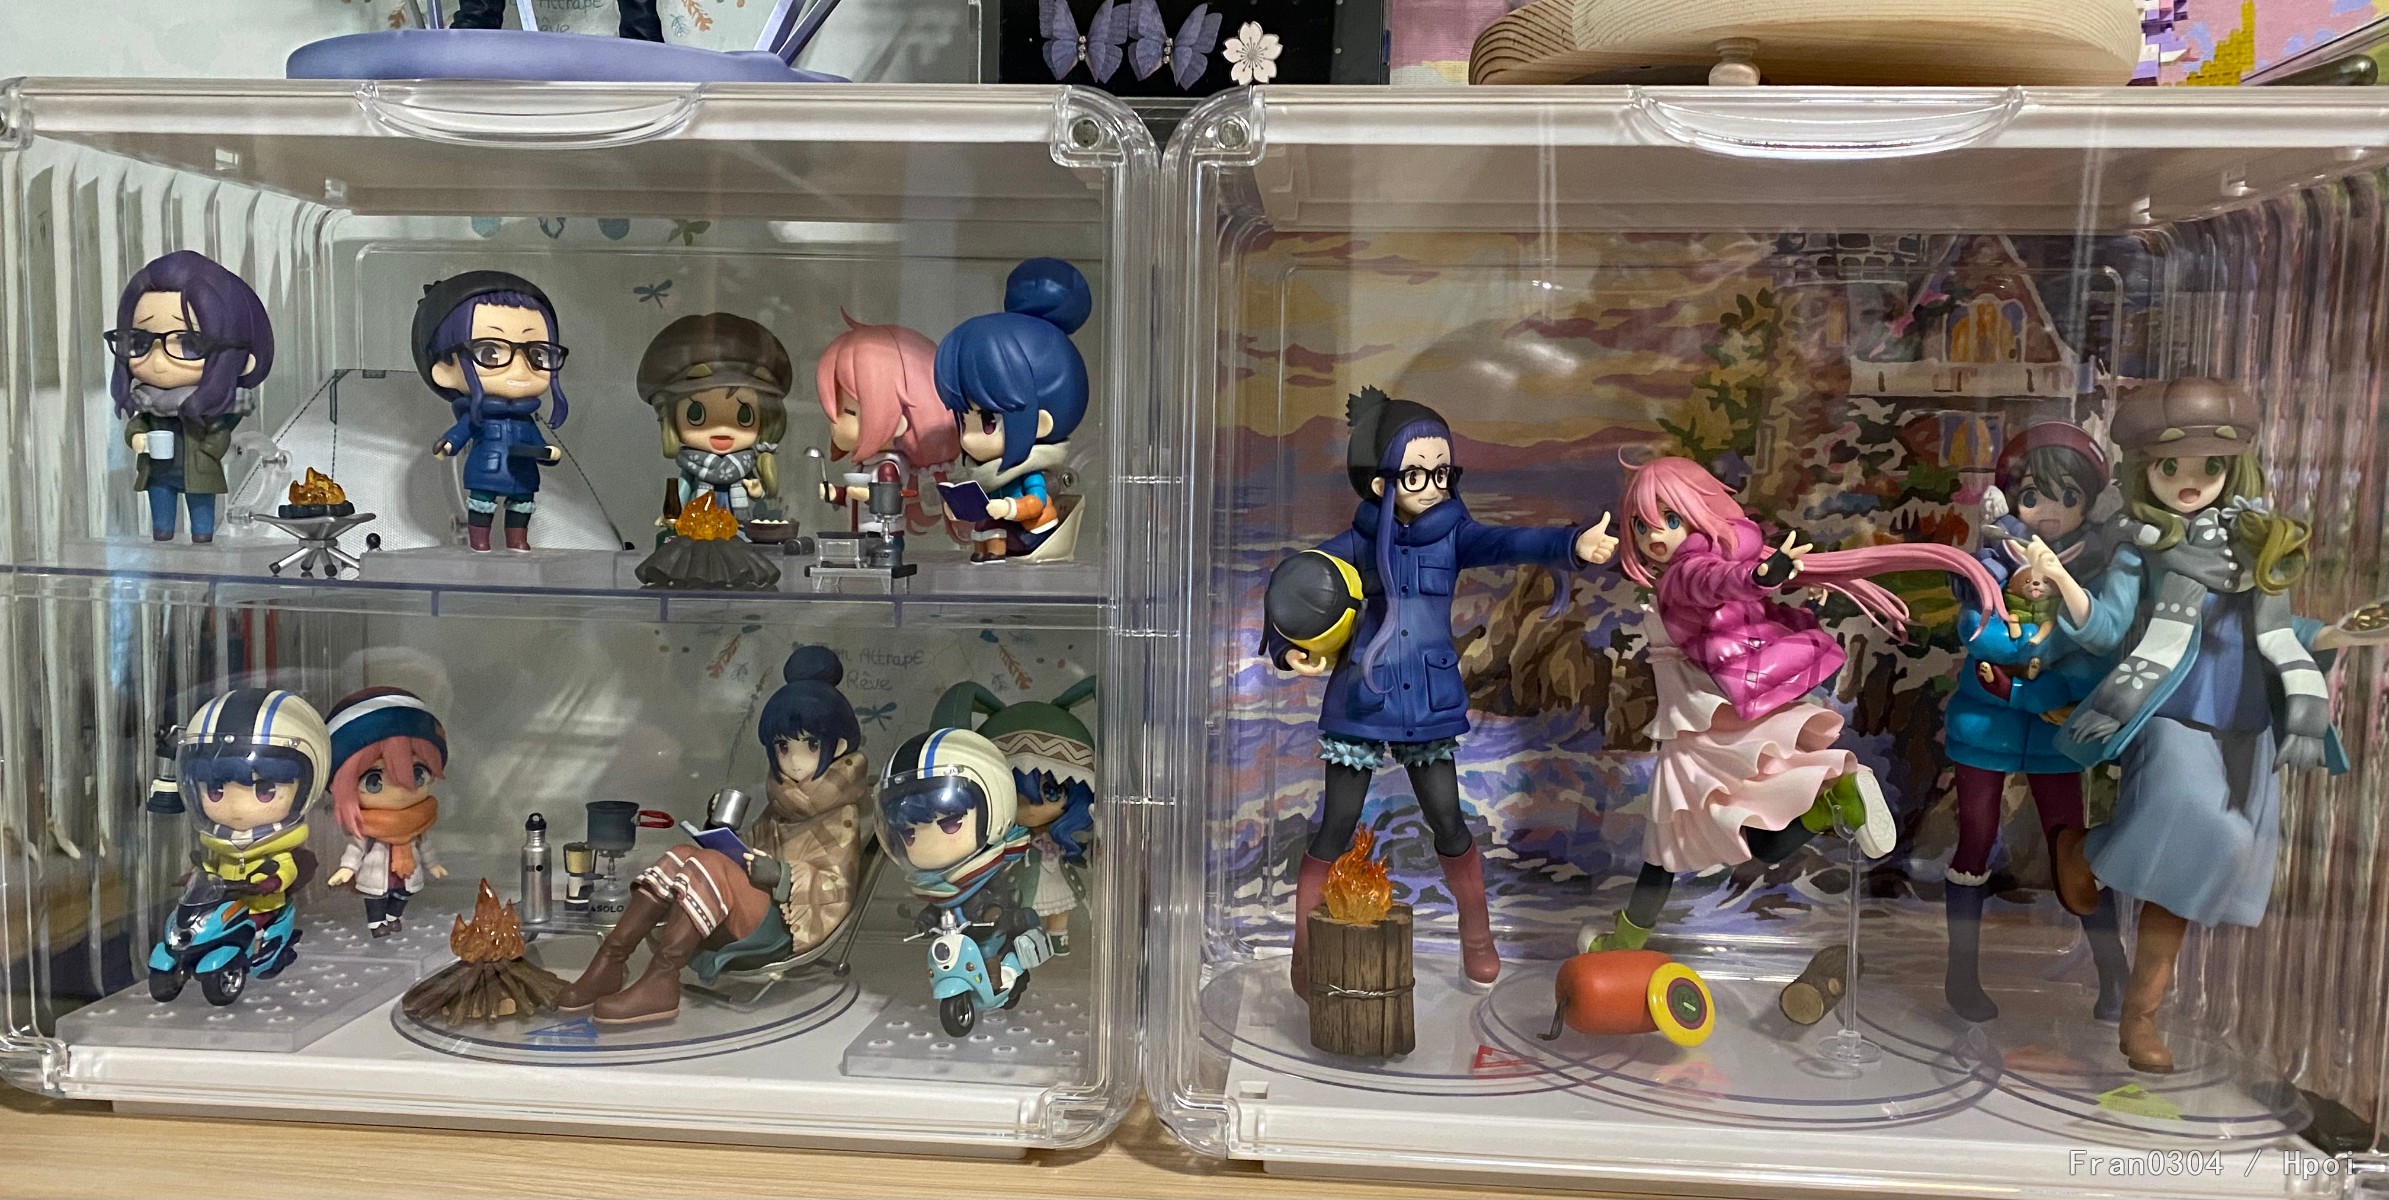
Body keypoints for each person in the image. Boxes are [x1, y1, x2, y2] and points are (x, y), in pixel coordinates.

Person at [2024, 379, 2347, 1073]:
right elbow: (2105, 627)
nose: (2189, 481)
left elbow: (2279, 630)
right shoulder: (2140, 545)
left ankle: (2140, 1013)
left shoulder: (2256, 541)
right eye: (2170, 466)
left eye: (2209, 466)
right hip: (2168, 709)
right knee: (2209, 829)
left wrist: (2337, 634)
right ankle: (2086, 853)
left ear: (2235, 466)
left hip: (2245, 720)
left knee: (2199, 868)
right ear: (2145, 470)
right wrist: (2062, 580)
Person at [1266, 387, 1616, 993]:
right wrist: (1286, 647)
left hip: (1428, 702)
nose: (1431, 485)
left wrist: (1571, 544)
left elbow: (1510, 542)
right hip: (1362, 700)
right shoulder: (1356, 544)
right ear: (1381, 482)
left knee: (1449, 821)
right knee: (1335, 825)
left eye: (1441, 472)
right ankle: (1304, 945)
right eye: (1416, 474)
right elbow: (1297, 589)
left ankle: (1476, 933)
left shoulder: (1453, 535)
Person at [554, 646, 870, 1024]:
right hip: (758, 909)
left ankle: (663, 976)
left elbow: (837, 887)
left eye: (811, 745)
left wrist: (781, 875)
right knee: (683, 854)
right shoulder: (784, 803)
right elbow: (746, 858)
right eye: (784, 746)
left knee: (709, 863)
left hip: (789, 926)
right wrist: (721, 836)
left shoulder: (842, 814)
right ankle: (611, 960)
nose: (794, 760)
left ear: (838, 746)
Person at [106, 251, 274, 543]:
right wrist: (137, 438)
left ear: (239, 357)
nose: (158, 361)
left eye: (188, 343)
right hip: (158, 474)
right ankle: (163, 544)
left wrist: (208, 450)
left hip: (199, 474)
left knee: (203, 530)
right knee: (161, 529)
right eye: (141, 341)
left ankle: (203, 544)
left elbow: (219, 431)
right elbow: (138, 424)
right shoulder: (146, 400)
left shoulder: (212, 405)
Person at [413, 271, 571, 552]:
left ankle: (518, 540)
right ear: (445, 369)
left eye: (537, 354)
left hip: (522, 473)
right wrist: (448, 444)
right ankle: (479, 541)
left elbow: (536, 442)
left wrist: (546, 453)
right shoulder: (478, 416)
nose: (520, 369)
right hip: (485, 469)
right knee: (481, 503)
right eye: (490, 354)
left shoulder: (526, 419)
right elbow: (461, 431)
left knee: (522, 504)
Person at [638, 312, 792, 530]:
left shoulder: (745, 465)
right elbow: (683, 488)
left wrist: (756, 490)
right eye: (696, 415)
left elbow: (756, 492)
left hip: (737, 528)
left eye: (744, 417)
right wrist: (671, 514)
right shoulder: (692, 466)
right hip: (699, 528)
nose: (722, 429)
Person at [322, 688, 451, 938]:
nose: (401, 790)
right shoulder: (365, 826)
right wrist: (347, 868)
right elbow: (357, 847)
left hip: (407, 873)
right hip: (376, 872)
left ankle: (393, 916)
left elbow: (424, 844)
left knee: (403, 892)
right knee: (375, 897)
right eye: (374, 782)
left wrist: (433, 864)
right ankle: (377, 923)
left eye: (417, 774)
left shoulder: (418, 823)